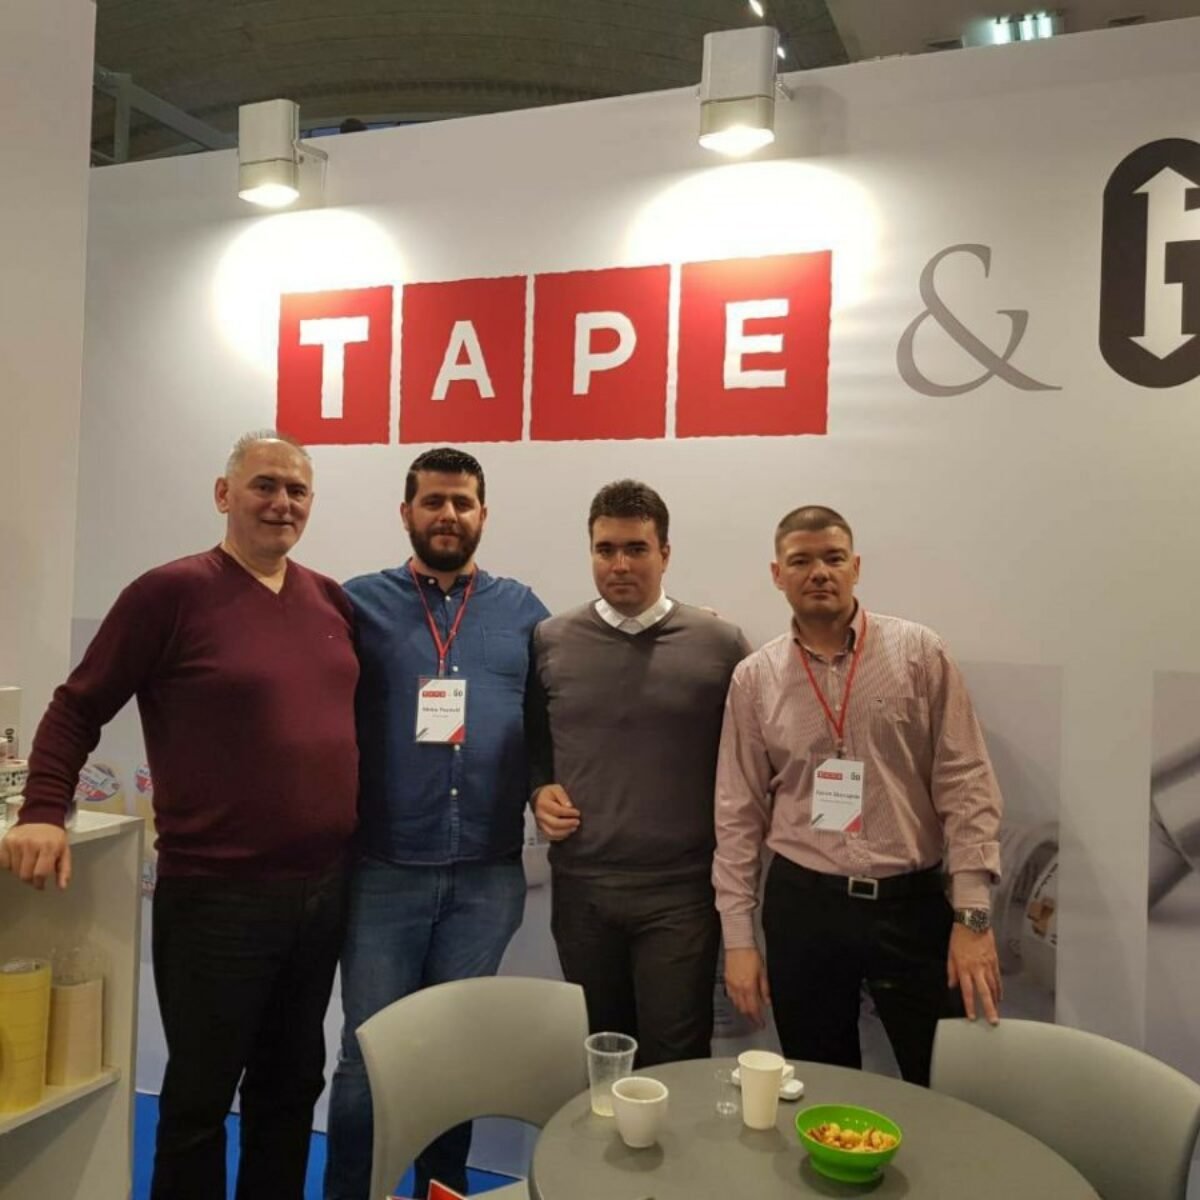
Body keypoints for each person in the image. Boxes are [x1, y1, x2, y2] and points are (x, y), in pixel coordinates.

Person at [0, 431, 359, 1200]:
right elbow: (77, 706)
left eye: (297, 490)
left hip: (323, 891)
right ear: (224, 494)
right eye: (265, 485)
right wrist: (42, 809)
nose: (282, 503)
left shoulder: (330, 601)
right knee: (200, 1100)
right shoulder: (168, 594)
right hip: (217, 897)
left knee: (291, 1086)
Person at [325, 446, 549, 1200]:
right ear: (406, 512)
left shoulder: (524, 611)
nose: (448, 514)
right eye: (433, 501)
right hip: (384, 872)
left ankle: (440, 1190)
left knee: (455, 1055)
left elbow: (549, 722)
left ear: (483, 513)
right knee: (368, 1057)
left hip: (487, 876)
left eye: (462, 502)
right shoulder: (356, 605)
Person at [714, 504, 1003, 1086]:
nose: (818, 572)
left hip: (911, 907)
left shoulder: (919, 653)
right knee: (819, 1086)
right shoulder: (755, 678)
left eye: (833, 558)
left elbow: (966, 781)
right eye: (801, 561)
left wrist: (972, 915)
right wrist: (740, 941)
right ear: (777, 574)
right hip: (805, 908)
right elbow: (737, 814)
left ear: (856, 566)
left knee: (944, 1085)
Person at [531, 480, 750, 1065]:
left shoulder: (720, 644)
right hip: (582, 888)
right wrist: (537, 789)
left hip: (680, 892)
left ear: (665, 553)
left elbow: (750, 763)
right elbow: (533, 741)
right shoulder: (550, 640)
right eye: (605, 549)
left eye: (636, 548)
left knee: (676, 1058)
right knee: (604, 1055)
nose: (620, 564)